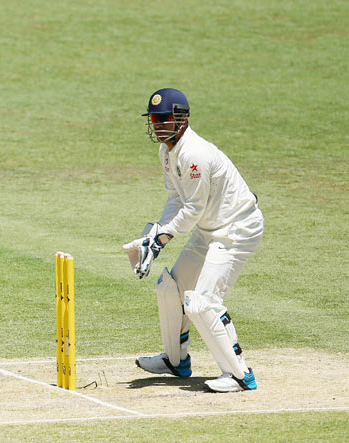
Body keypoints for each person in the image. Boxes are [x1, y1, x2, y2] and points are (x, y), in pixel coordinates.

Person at [122, 88, 264, 393]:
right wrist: (152, 236)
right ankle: (176, 361)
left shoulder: (195, 153)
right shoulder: (167, 152)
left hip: (236, 230)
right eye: (154, 119)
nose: (158, 125)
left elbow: (192, 209)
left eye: (164, 118)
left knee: (201, 302)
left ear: (182, 119)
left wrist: (160, 240)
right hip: (208, 229)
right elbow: (176, 198)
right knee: (170, 288)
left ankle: (239, 375)